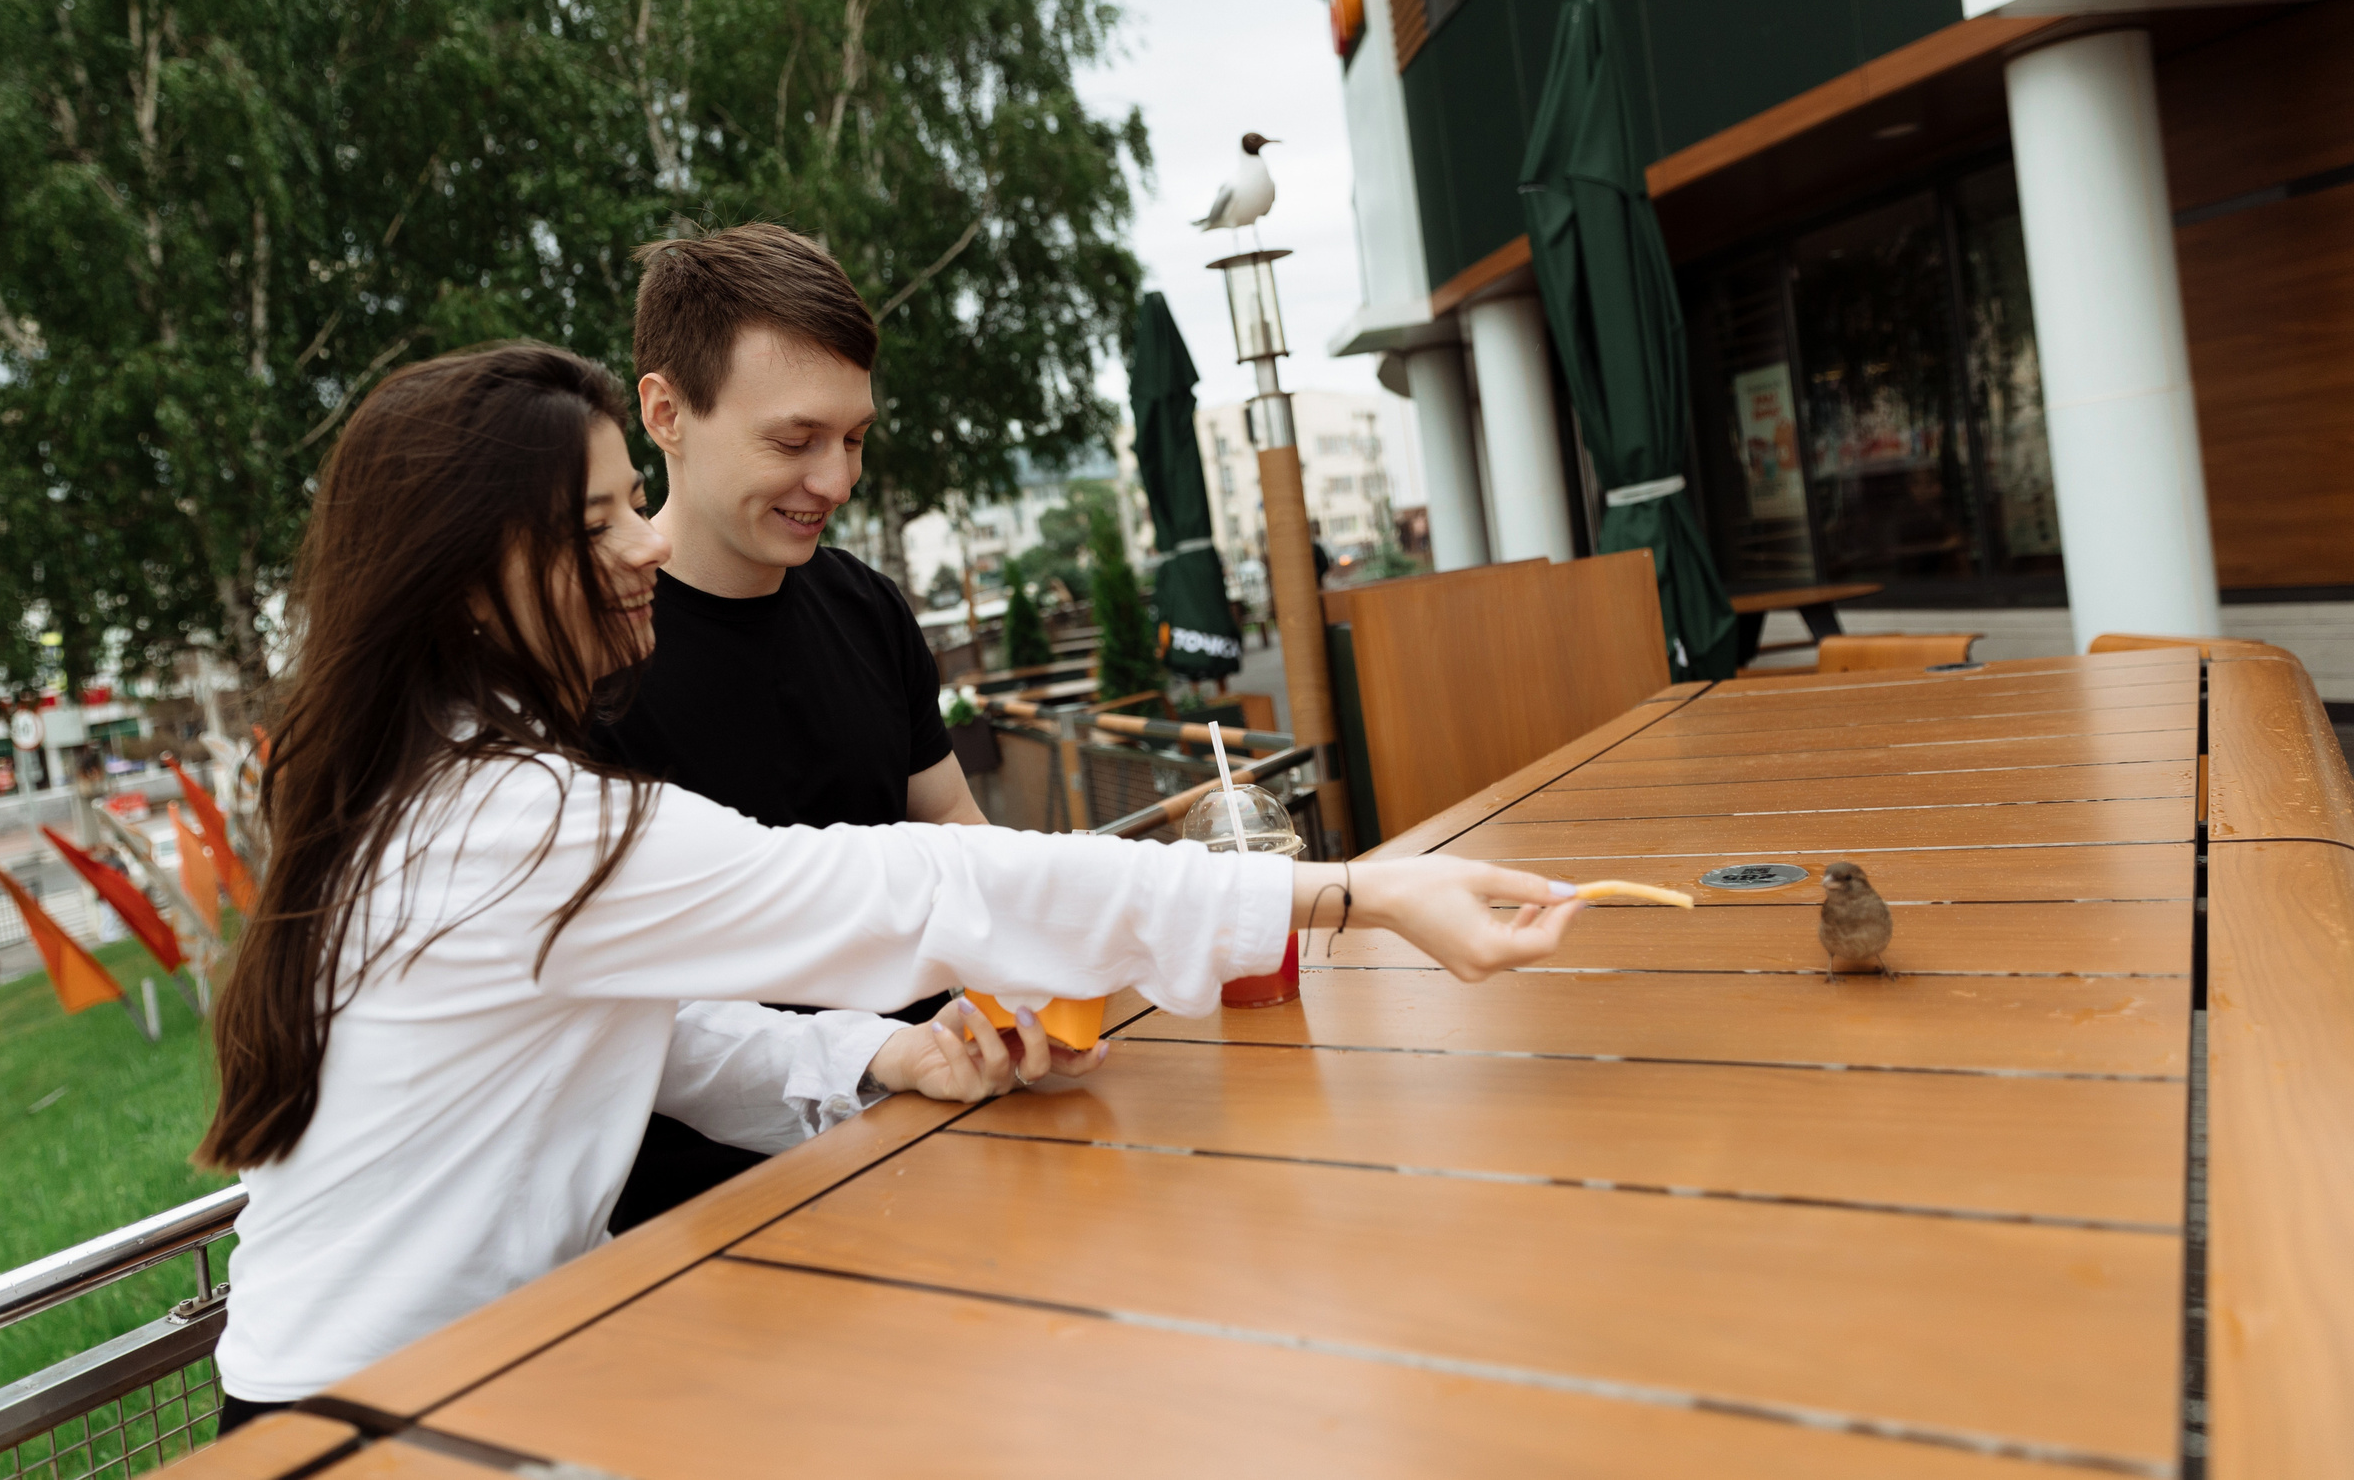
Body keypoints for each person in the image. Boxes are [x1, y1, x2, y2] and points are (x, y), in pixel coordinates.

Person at [199, 342, 1582, 1428]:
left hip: (377, 1378)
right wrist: (1350, 896)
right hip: (371, 1414)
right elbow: (918, 879)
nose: (643, 545)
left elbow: (647, 1026)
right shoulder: (523, 814)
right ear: (462, 587)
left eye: (631, 503)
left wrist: (877, 1055)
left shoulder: (444, 782)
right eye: (596, 519)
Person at [596, 224, 981, 1227]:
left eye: (853, 439)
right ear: (665, 412)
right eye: (794, 441)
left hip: (929, 1140)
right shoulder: (584, 663)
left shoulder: (870, 609)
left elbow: (959, 839)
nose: (838, 482)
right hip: (697, 1217)